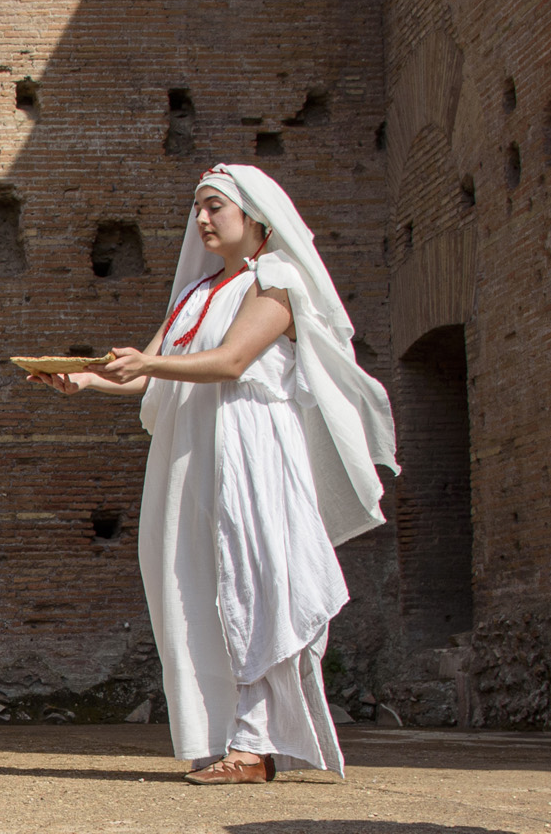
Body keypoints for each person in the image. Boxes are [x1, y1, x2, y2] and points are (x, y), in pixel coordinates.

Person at [37, 164, 396, 783]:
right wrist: (85, 378)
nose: (201, 219)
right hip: (190, 446)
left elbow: (231, 361)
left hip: (248, 443)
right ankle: (225, 733)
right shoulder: (196, 294)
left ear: (255, 217)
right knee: (190, 575)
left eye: (215, 208)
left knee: (251, 576)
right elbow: (153, 370)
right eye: (197, 208)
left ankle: (256, 744)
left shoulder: (276, 278)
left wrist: (149, 361)